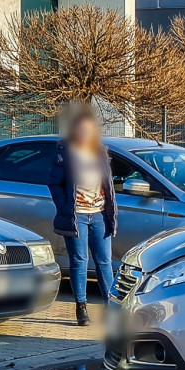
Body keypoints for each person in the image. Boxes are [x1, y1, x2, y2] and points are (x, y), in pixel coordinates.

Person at [48, 107, 117, 326]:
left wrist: (110, 209)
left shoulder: (100, 152)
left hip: (99, 214)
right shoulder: (65, 153)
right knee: (79, 260)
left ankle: (111, 307)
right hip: (76, 215)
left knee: (105, 261)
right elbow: (54, 182)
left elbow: (109, 184)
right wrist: (66, 206)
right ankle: (81, 308)